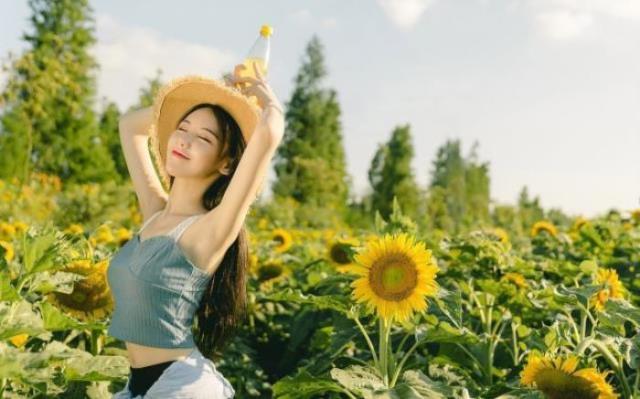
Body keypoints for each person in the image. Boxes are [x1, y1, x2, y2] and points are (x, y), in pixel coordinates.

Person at [107, 62, 285, 398]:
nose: (184, 141)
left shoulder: (208, 230)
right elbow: (130, 126)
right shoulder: (155, 214)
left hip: (182, 387)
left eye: (203, 138)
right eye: (182, 127)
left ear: (227, 163)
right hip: (138, 386)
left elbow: (269, 132)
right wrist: (214, 91)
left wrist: (263, 98)